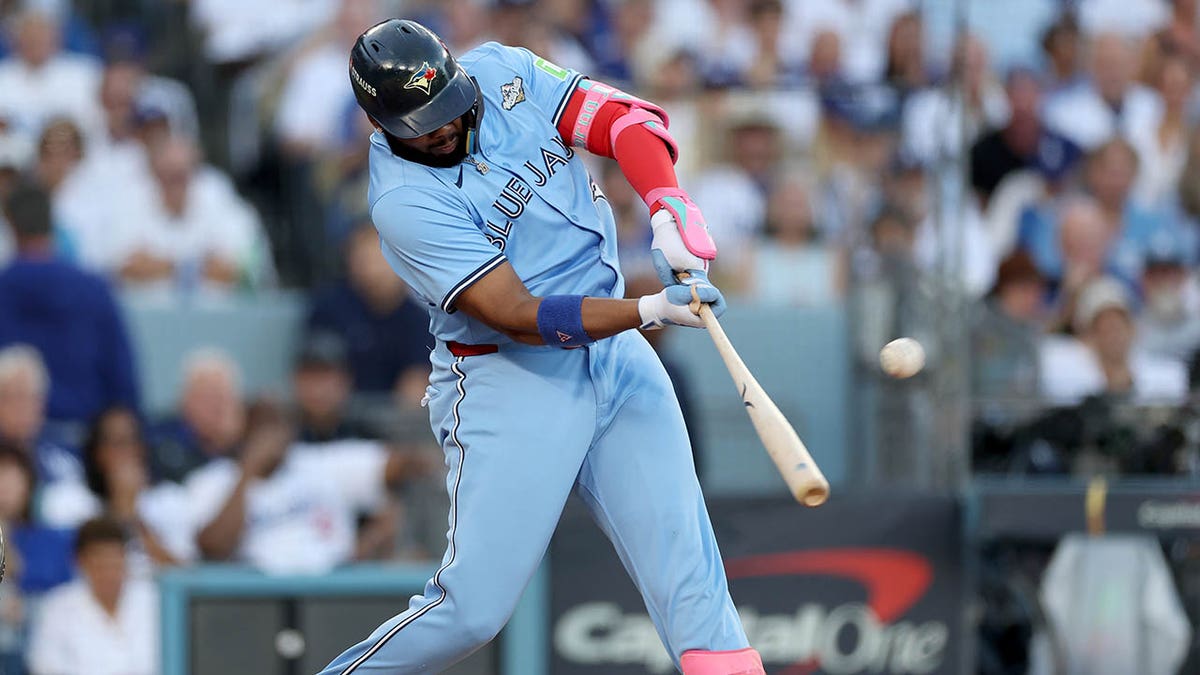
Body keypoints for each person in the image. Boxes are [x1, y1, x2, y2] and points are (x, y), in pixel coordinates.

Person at [320, 19, 763, 675]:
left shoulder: (500, 71)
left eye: (447, 105)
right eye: (423, 123)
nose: (445, 126)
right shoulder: (403, 202)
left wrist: (666, 201)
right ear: (379, 124)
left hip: (615, 357)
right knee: (470, 611)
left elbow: (624, 119)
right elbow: (518, 315)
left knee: (697, 595)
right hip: (511, 383)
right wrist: (643, 309)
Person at [188, 400, 427, 573]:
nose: (271, 437)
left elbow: (397, 464)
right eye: (261, 427)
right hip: (256, 598)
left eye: (278, 425)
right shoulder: (215, 480)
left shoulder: (317, 463)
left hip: (330, 588)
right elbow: (213, 548)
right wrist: (248, 469)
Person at [0, 183, 140, 428]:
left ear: (10, 224)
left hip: (16, 445)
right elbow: (123, 383)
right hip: (83, 443)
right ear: (52, 221)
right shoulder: (94, 289)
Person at [27, 517, 158, 675]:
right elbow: (46, 666)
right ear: (80, 561)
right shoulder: (57, 608)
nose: (109, 573)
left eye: (115, 563)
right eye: (100, 564)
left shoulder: (153, 601)